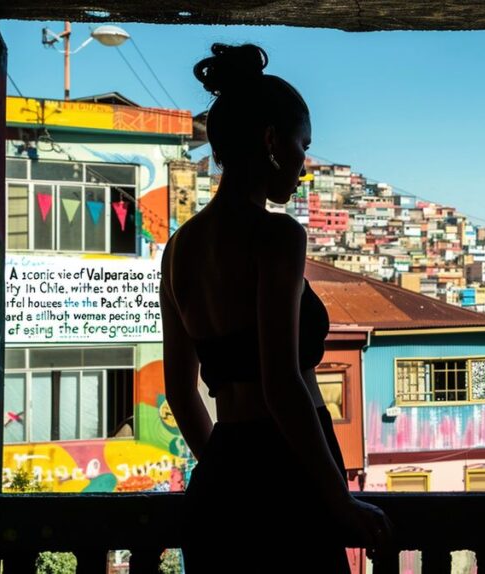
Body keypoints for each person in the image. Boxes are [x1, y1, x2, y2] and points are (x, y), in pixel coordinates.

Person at [159, 43, 392, 572]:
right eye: (301, 146)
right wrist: (338, 498)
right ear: (270, 141)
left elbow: (180, 390)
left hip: (219, 484)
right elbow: (282, 381)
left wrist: (227, 466)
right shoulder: (276, 236)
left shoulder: (179, 249)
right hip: (289, 480)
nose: (304, 165)